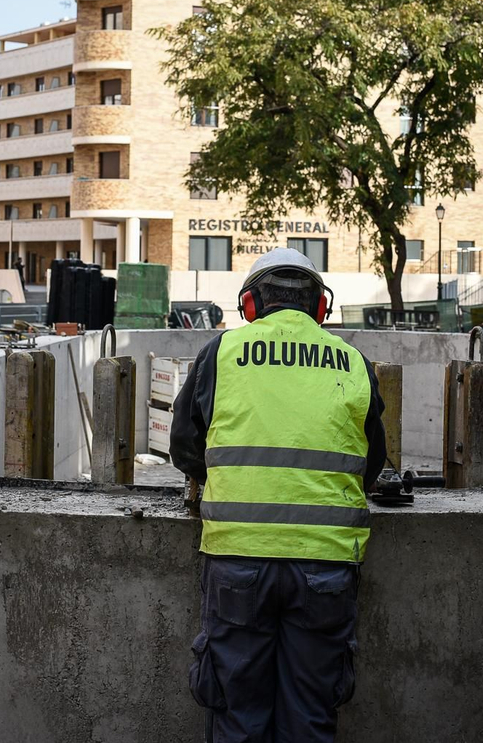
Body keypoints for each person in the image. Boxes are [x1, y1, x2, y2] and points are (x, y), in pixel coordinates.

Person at [171, 248, 387, 743]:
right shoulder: (352, 361)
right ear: (320, 307)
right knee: (310, 716)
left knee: (237, 714)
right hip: (326, 565)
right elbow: (371, 463)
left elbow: (184, 447)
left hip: (237, 558)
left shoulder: (221, 353)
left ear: (250, 304)